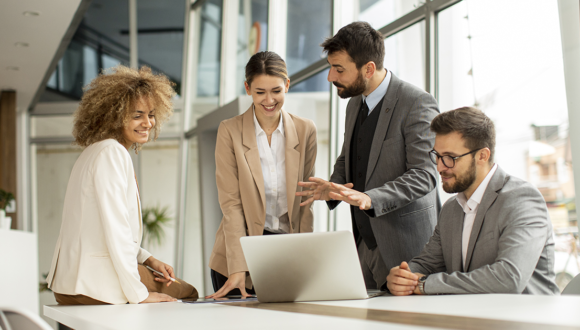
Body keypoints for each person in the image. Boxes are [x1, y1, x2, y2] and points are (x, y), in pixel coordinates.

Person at [297, 21, 439, 290]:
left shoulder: (416, 102)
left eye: (339, 69)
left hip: (407, 248)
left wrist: (370, 198)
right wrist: (332, 186)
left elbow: (425, 175)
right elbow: (349, 155)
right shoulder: (354, 104)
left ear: (369, 68)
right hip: (364, 243)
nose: (330, 77)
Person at [46, 65, 198, 305]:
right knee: (188, 292)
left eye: (151, 114)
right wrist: (140, 295)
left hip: (70, 284)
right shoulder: (112, 153)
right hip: (95, 284)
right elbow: (116, 229)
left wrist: (148, 260)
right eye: (137, 115)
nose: (147, 123)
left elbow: (99, 227)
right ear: (114, 115)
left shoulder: (93, 152)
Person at [386, 107, 559, 295]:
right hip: (472, 318)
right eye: (437, 156)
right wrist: (403, 277)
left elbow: (509, 278)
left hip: (526, 320)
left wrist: (424, 284)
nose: (440, 167)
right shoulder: (451, 208)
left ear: (482, 156)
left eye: (450, 158)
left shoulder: (522, 200)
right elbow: (427, 263)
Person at [207, 51, 317, 299]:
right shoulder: (230, 131)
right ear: (247, 88)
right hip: (238, 255)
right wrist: (238, 267)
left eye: (276, 91)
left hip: (286, 253)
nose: (269, 100)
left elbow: (305, 201)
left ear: (287, 85)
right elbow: (231, 205)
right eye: (260, 92)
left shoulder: (305, 129)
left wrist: (306, 260)